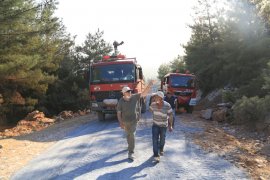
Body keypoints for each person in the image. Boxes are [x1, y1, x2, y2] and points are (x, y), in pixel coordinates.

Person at [117, 81, 154, 160]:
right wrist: (120, 123)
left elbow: (144, 93)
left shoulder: (134, 97)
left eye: (130, 91)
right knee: (128, 135)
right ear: (123, 93)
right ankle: (130, 145)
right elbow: (119, 113)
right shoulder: (120, 101)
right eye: (127, 91)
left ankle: (131, 153)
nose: (129, 92)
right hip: (125, 122)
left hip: (134, 120)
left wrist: (149, 85)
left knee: (132, 135)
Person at [149, 91, 173, 162]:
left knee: (162, 139)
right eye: (154, 97)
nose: (155, 98)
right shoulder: (153, 104)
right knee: (154, 140)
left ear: (161, 98)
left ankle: (161, 148)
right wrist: (152, 102)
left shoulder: (167, 105)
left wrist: (170, 125)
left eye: (156, 97)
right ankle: (156, 155)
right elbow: (150, 110)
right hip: (155, 125)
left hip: (163, 126)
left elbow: (171, 115)